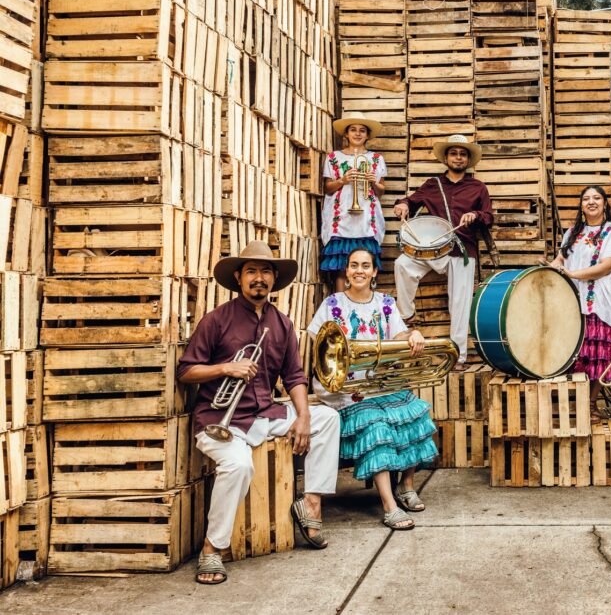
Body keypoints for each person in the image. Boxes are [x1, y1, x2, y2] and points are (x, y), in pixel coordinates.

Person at [178, 241, 340, 584]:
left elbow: (295, 376)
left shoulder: (281, 324)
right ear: (238, 277)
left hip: (264, 414)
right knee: (238, 464)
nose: (259, 278)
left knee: (329, 418)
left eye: (266, 271)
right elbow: (187, 371)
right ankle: (212, 548)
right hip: (220, 419)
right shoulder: (216, 320)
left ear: (274, 279)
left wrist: (304, 416)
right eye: (251, 271)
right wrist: (226, 368)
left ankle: (310, 505)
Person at [307, 247, 438, 531]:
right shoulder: (331, 304)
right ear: (347, 270)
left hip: (380, 384)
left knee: (416, 413)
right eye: (354, 265)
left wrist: (412, 334)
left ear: (374, 272)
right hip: (348, 389)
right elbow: (319, 345)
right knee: (376, 427)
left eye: (365, 266)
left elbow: (399, 333)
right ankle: (389, 506)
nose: (359, 271)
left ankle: (406, 484)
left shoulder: (386, 303)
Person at [393, 134, 493, 371]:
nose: (458, 157)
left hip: (463, 251)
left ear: (468, 159)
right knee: (402, 264)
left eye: (462, 154)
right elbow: (410, 200)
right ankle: (407, 317)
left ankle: (457, 357)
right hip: (433, 248)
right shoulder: (432, 184)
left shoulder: (478, 187)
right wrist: (403, 204)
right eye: (453, 153)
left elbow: (489, 217)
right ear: (446, 158)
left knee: (460, 303)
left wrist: (476, 215)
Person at [549, 186, 611, 420]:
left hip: (601, 302)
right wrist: (549, 269)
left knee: (599, 356)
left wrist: (573, 275)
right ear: (581, 205)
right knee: (578, 355)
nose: (591, 202)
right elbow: (561, 258)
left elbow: (608, 265)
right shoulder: (573, 232)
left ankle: (591, 404)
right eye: (586, 198)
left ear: (605, 203)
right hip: (574, 300)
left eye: (596, 198)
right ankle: (575, 404)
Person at [322, 117, 387, 291]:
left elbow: (380, 192)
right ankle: (341, 310)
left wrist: (374, 182)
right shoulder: (334, 157)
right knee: (342, 269)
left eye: (362, 130)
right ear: (346, 133)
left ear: (367, 135)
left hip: (366, 218)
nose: (357, 134)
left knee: (366, 268)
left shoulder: (376, 158)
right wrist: (343, 180)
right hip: (342, 217)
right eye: (353, 130)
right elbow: (328, 188)